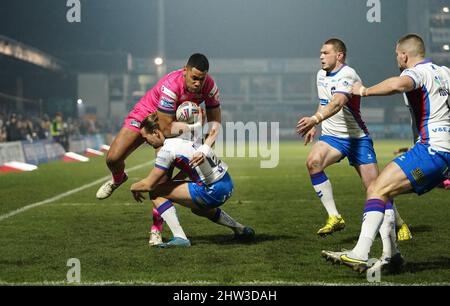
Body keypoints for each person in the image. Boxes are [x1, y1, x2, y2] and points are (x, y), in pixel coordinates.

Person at [321, 34, 450, 273]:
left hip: (431, 150)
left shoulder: (416, 73)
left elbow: (400, 84)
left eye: (397, 55)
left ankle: (359, 253)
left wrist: (365, 90)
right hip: (442, 153)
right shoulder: (444, 72)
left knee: (376, 189)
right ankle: (392, 257)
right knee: (382, 190)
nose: (397, 60)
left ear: (404, 55)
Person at [96, 53, 222, 245]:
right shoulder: (172, 86)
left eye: (201, 79)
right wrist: (196, 127)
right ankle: (118, 178)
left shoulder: (210, 87)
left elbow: (215, 123)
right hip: (149, 115)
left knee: (161, 182)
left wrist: (205, 148)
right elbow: (164, 128)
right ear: (185, 71)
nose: (198, 83)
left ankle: (156, 229)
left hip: (175, 124)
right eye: (194, 78)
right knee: (112, 158)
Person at [296, 38, 411, 242]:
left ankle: (400, 223)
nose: (321, 56)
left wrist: (314, 119)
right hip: (332, 138)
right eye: (320, 53)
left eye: (326, 53)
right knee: (313, 162)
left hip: (357, 139)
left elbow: (339, 102)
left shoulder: (348, 74)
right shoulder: (320, 75)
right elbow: (324, 102)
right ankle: (334, 216)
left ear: (339, 55)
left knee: (375, 188)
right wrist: (315, 123)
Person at [130, 113, 255, 247]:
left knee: (156, 191)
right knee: (198, 209)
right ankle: (240, 229)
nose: (145, 142)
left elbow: (149, 184)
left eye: (145, 138)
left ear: (155, 132)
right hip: (226, 183)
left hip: (212, 190)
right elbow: (187, 170)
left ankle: (180, 238)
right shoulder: (182, 139)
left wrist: (132, 187)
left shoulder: (166, 150)